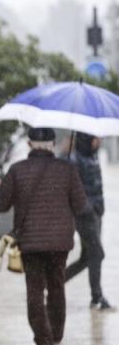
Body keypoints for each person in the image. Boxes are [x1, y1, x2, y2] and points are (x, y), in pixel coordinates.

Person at [0, 128, 86, 345]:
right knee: (57, 288)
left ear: (30, 145)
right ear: (52, 144)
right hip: (60, 242)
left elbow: (1, 205)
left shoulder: (17, 170)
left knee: (34, 291)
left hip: (30, 242)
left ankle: (41, 342)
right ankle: (57, 340)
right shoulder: (67, 170)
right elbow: (81, 206)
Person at [65, 132, 112, 309]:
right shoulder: (74, 160)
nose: (98, 141)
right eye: (95, 138)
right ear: (86, 139)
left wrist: (98, 208)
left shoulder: (92, 156)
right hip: (85, 215)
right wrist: (87, 209)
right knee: (97, 253)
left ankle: (54, 282)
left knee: (88, 257)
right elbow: (74, 191)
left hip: (96, 213)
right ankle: (97, 296)